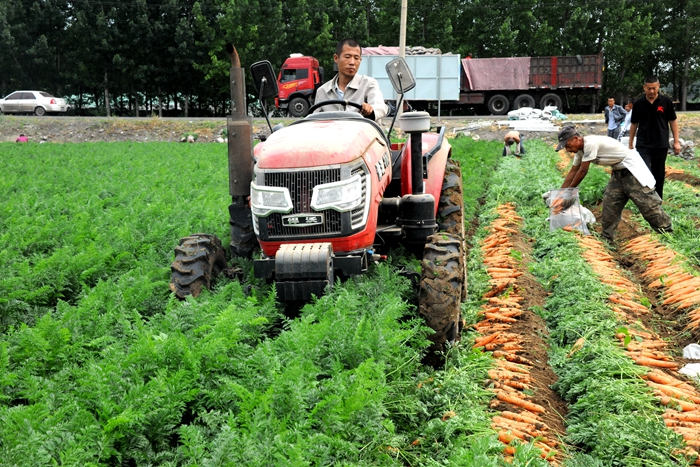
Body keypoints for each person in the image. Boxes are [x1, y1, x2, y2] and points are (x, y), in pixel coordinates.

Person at [556, 125, 672, 242]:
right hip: (618, 173)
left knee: (648, 205)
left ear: (576, 139)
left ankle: (667, 232)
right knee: (610, 205)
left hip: (632, 171)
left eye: (567, 145)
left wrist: (568, 193)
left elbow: (582, 171)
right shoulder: (580, 152)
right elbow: (573, 171)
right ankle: (607, 239)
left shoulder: (590, 143)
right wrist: (560, 194)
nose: (567, 149)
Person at [628, 75, 681, 199]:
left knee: (659, 173)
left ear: (658, 87)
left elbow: (672, 121)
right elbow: (634, 124)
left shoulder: (666, 101)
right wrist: (630, 143)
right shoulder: (638, 104)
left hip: (660, 143)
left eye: (654, 88)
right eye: (649, 88)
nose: (651, 91)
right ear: (644, 88)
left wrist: (676, 141)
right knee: (645, 172)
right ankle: (646, 200)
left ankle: (658, 200)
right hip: (643, 144)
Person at [313, 38, 388, 121]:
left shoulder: (368, 84)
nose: (352, 62)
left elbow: (380, 107)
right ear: (336, 58)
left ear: (360, 60)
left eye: (356, 58)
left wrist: (370, 110)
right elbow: (314, 121)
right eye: (347, 57)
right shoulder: (323, 91)